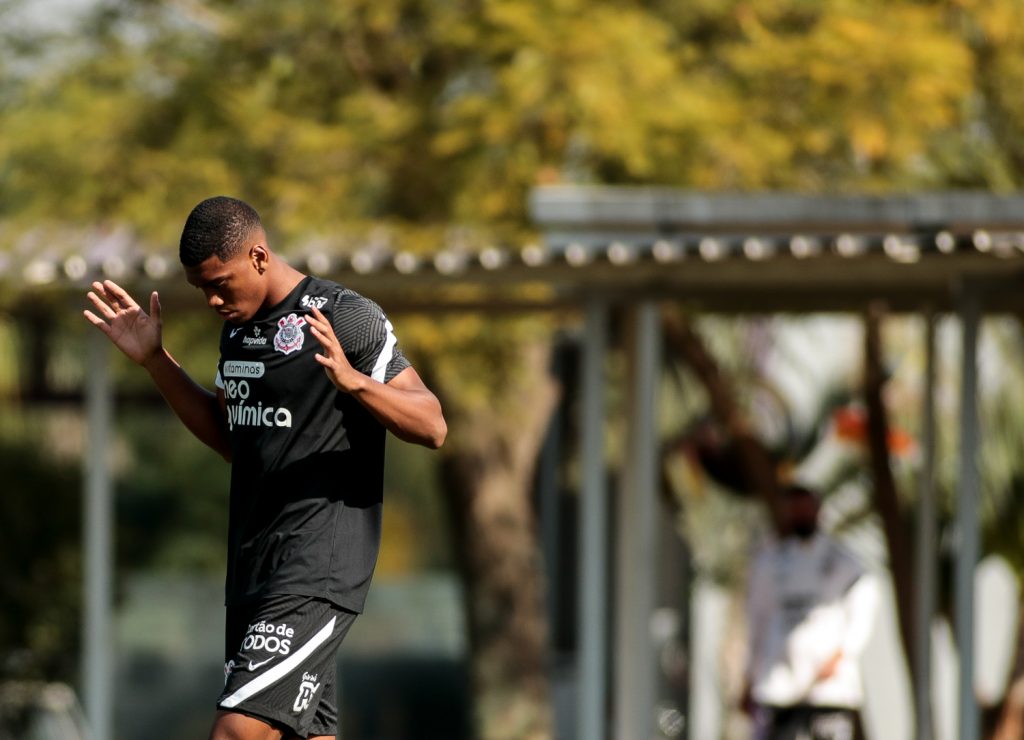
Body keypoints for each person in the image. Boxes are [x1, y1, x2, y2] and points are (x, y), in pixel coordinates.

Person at [83, 196, 447, 740]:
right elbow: (235, 441)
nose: (211, 300)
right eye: (200, 288)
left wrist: (355, 383)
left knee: (236, 732)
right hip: (255, 570)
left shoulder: (343, 316)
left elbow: (432, 424)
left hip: (316, 567)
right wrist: (157, 362)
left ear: (258, 256)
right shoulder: (237, 329)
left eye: (220, 283)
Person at [743, 484, 878, 740]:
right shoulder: (770, 561)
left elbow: (864, 603)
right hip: (780, 690)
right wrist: (749, 676)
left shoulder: (842, 561)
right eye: (794, 509)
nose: (800, 515)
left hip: (828, 692)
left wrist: (842, 653)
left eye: (805, 508)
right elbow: (757, 618)